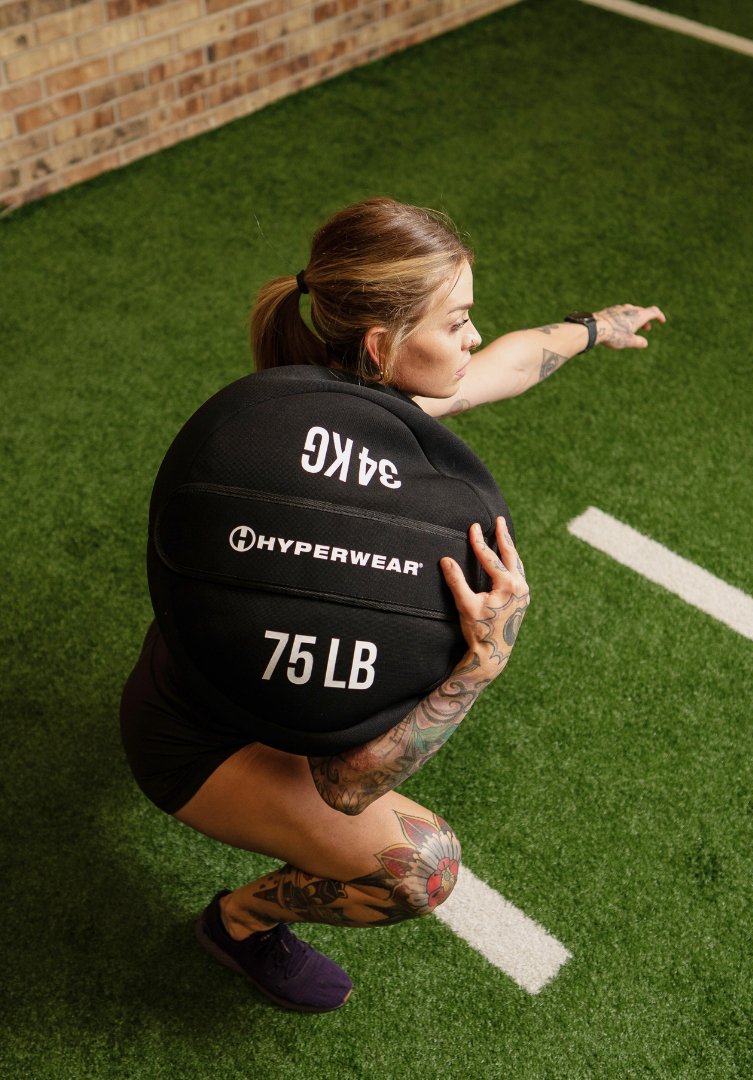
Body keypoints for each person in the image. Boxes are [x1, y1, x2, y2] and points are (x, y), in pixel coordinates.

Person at [120, 196, 665, 1012]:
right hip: (197, 737)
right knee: (422, 867)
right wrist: (481, 663)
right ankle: (238, 923)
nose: (474, 337)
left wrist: (593, 326)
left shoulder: (354, 399)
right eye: (457, 323)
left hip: (251, 669)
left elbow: (507, 363)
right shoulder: (279, 437)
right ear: (383, 345)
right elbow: (344, 785)